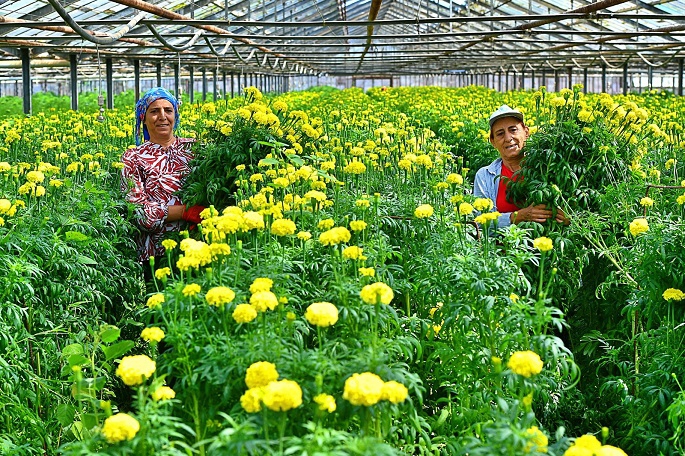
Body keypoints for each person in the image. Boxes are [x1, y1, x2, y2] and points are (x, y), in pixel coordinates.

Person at [120, 87, 205, 268]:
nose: (162, 116)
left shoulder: (196, 149)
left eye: (168, 110)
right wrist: (186, 211)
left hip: (199, 243)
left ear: (176, 115)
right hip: (156, 253)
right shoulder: (133, 157)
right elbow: (138, 213)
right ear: (143, 117)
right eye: (154, 111)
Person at [473, 104, 569, 228]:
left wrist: (569, 219)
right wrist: (516, 217)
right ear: (493, 142)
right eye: (500, 134)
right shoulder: (485, 176)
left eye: (513, 130)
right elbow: (479, 224)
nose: (508, 138)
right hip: (500, 246)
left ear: (526, 132)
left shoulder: (547, 166)